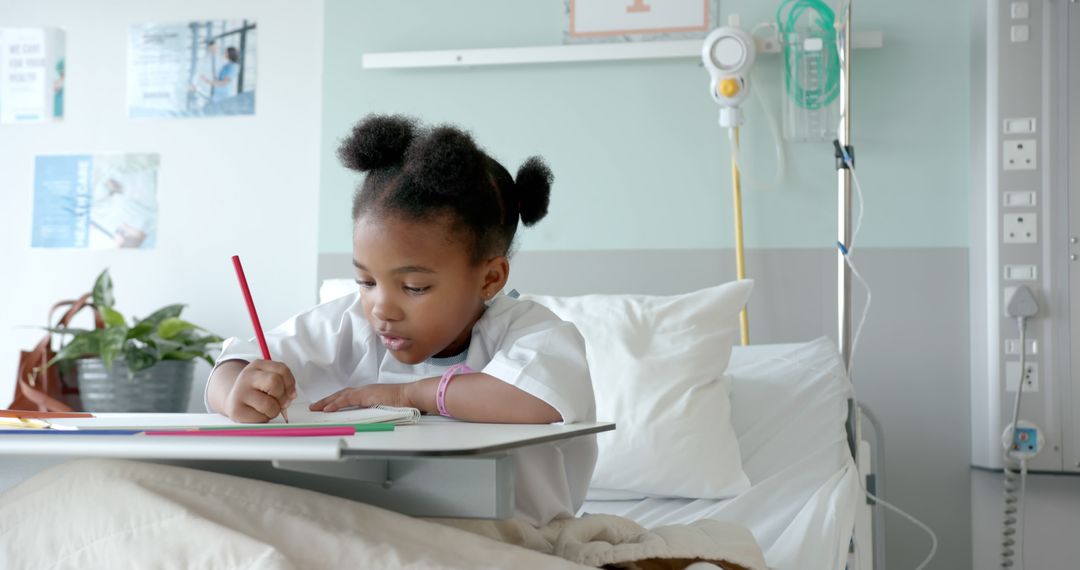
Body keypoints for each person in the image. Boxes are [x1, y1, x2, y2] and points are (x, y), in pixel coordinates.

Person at [206, 114, 597, 526]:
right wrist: (238, 392)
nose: (381, 309)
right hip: (384, 527)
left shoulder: (533, 332)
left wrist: (405, 395)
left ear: (490, 278)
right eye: (366, 281)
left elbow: (533, 399)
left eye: (414, 287)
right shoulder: (350, 324)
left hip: (514, 535)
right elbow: (235, 361)